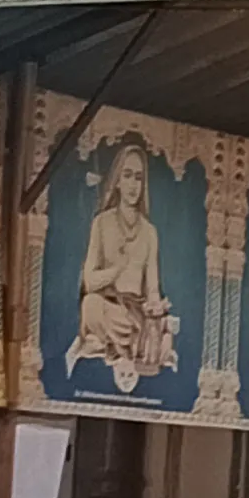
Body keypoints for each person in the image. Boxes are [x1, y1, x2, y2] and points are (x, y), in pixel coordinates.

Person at [69, 146, 178, 389]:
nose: (133, 185)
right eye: (127, 175)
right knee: (90, 305)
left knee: (159, 325)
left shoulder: (149, 232)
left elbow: (152, 288)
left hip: (136, 314)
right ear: (117, 181)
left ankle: (131, 344)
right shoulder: (101, 223)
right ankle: (124, 345)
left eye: (138, 178)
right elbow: (89, 282)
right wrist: (116, 270)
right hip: (107, 306)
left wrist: (156, 307)